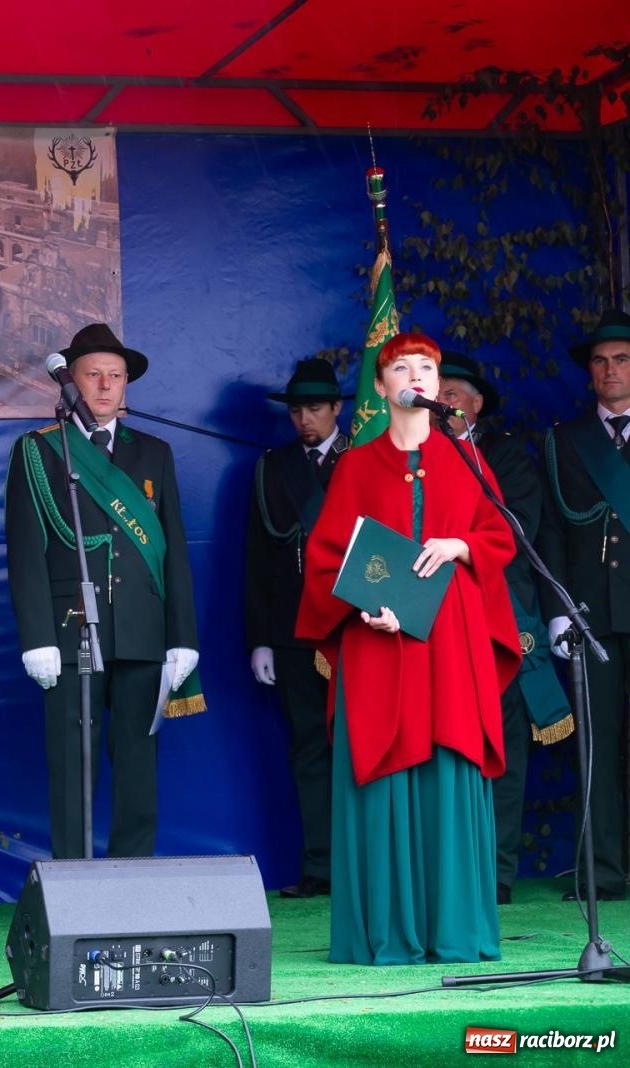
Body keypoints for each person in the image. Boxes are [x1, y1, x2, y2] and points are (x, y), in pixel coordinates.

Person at [297, 331, 519, 965]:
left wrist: (461, 546)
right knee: (385, 769)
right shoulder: (356, 466)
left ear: (437, 382)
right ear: (380, 384)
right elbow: (326, 563)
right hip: (379, 647)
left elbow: (499, 535)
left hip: (451, 644)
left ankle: (454, 929)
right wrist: (366, 606)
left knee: (449, 769)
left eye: (425, 367)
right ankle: (387, 934)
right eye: (401, 367)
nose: (415, 377)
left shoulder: (466, 460)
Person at [6, 322, 202, 861]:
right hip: (70, 632)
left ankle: (133, 875)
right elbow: (25, 552)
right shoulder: (40, 451)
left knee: (139, 764)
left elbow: (174, 550)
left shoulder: (153, 453)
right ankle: (72, 876)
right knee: (73, 763)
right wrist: (36, 637)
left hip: (142, 631)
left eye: (115, 377)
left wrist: (182, 636)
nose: (105, 386)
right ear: (71, 381)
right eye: (93, 375)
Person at [439, 351, 571, 906]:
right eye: (436, 392)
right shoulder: (412, 459)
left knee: (505, 752)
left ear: (475, 405)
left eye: (451, 394)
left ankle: (497, 874)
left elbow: (513, 535)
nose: (441, 402)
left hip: (499, 621)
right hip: (436, 624)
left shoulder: (507, 456)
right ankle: (442, 873)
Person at [244, 357, 349, 899]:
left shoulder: (366, 458)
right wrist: (259, 636)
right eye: (297, 410)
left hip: (357, 627)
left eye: (315, 408)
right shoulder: (272, 466)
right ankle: (321, 865)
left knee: (362, 745)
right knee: (308, 745)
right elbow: (260, 557)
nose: (305, 419)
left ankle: (366, 865)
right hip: (292, 630)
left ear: (337, 408)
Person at [538, 308, 630, 903]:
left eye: (621, 360)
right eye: (599, 361)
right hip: (591, 616)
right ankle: (605, 870)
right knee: (596, 745)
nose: (609, 371)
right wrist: (556, 609)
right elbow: (548, 533)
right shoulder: (563, 440)